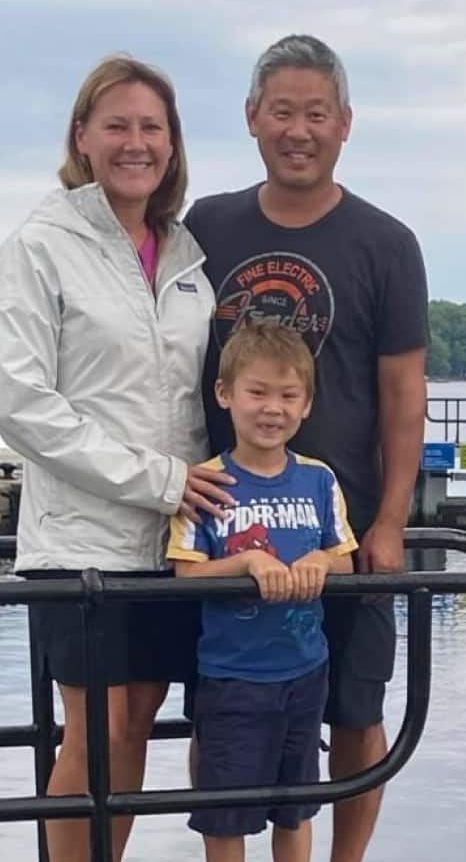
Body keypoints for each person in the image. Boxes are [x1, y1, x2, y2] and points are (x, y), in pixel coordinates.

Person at [0, 54, 235, 862]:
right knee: (93, 734)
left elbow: (198, 397)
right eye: (116, 124)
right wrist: (160, 480)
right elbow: (23, 408)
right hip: (80, 540)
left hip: (169, 544)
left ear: (172, 143)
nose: (135, 142)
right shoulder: (38, 249)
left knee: (134, 733)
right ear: (82, 136)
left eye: (151, 127)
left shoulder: (187, 256)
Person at [184, 34, 429, 862]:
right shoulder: (206, 226)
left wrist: (389, 519)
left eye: (315, 113)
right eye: (281, 110)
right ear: (252, 117)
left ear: (345, 124)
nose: (299, 129)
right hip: (228, 533)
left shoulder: (386, 243)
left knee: (356, 712)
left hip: (342, 533)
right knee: (223, 709)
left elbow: (403, 393)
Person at [169, 322, 357, 862]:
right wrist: (248, 563)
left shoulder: (319, 480)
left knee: (296, 804)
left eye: (287, 395)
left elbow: (343, 557)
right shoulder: (204, 482)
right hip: (233, 677)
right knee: (227, 810)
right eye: (257, 392)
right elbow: (187, 574)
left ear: (306, 405)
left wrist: (320, 561)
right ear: (225, 395)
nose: (272, 408)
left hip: (305, 671)